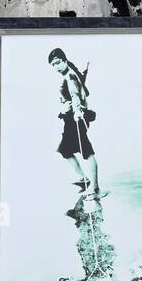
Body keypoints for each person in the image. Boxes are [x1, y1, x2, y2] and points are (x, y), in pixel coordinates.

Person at [48, 47, 107, 199]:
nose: (56, 66)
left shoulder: (70, 77)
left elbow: (75, 96)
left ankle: (95, 189)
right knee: (65, 150)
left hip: (76, 118)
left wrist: (78, 111)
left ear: (65, 60)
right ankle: (84, 179)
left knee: (86, 151)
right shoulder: (70, 72)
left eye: (58, 62)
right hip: (70, 119)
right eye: (53, 64)